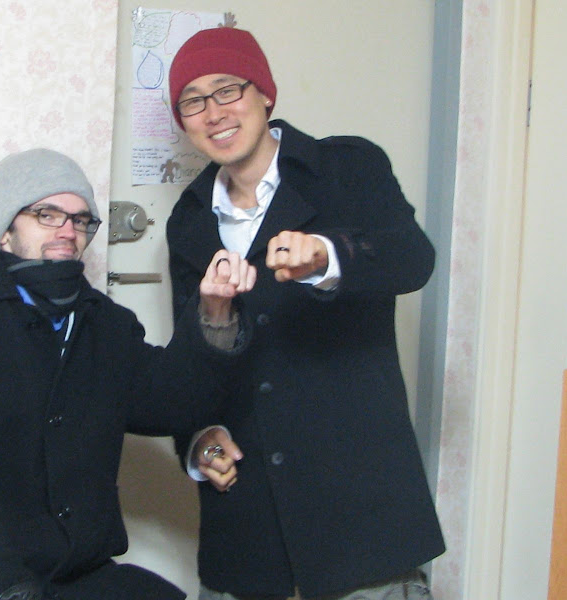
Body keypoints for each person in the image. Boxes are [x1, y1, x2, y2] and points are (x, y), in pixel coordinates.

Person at [0, 148, 256, 600]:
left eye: (80, 220)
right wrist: (5, 590)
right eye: (47, 214)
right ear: (4, 231)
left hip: (76, 576)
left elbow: (174, 402)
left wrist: (214, 313)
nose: (68, 231)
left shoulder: (103, 322)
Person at [166, 27, 446, 600]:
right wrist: (198, 438)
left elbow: (412, 259)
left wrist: (327, 255)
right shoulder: (189, 217)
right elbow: (191, 361)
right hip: (247, 514)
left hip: (359, 503)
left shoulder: (347, 167)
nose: (213, 112)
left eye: (227, 89)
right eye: (192, 101)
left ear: (265, 93)